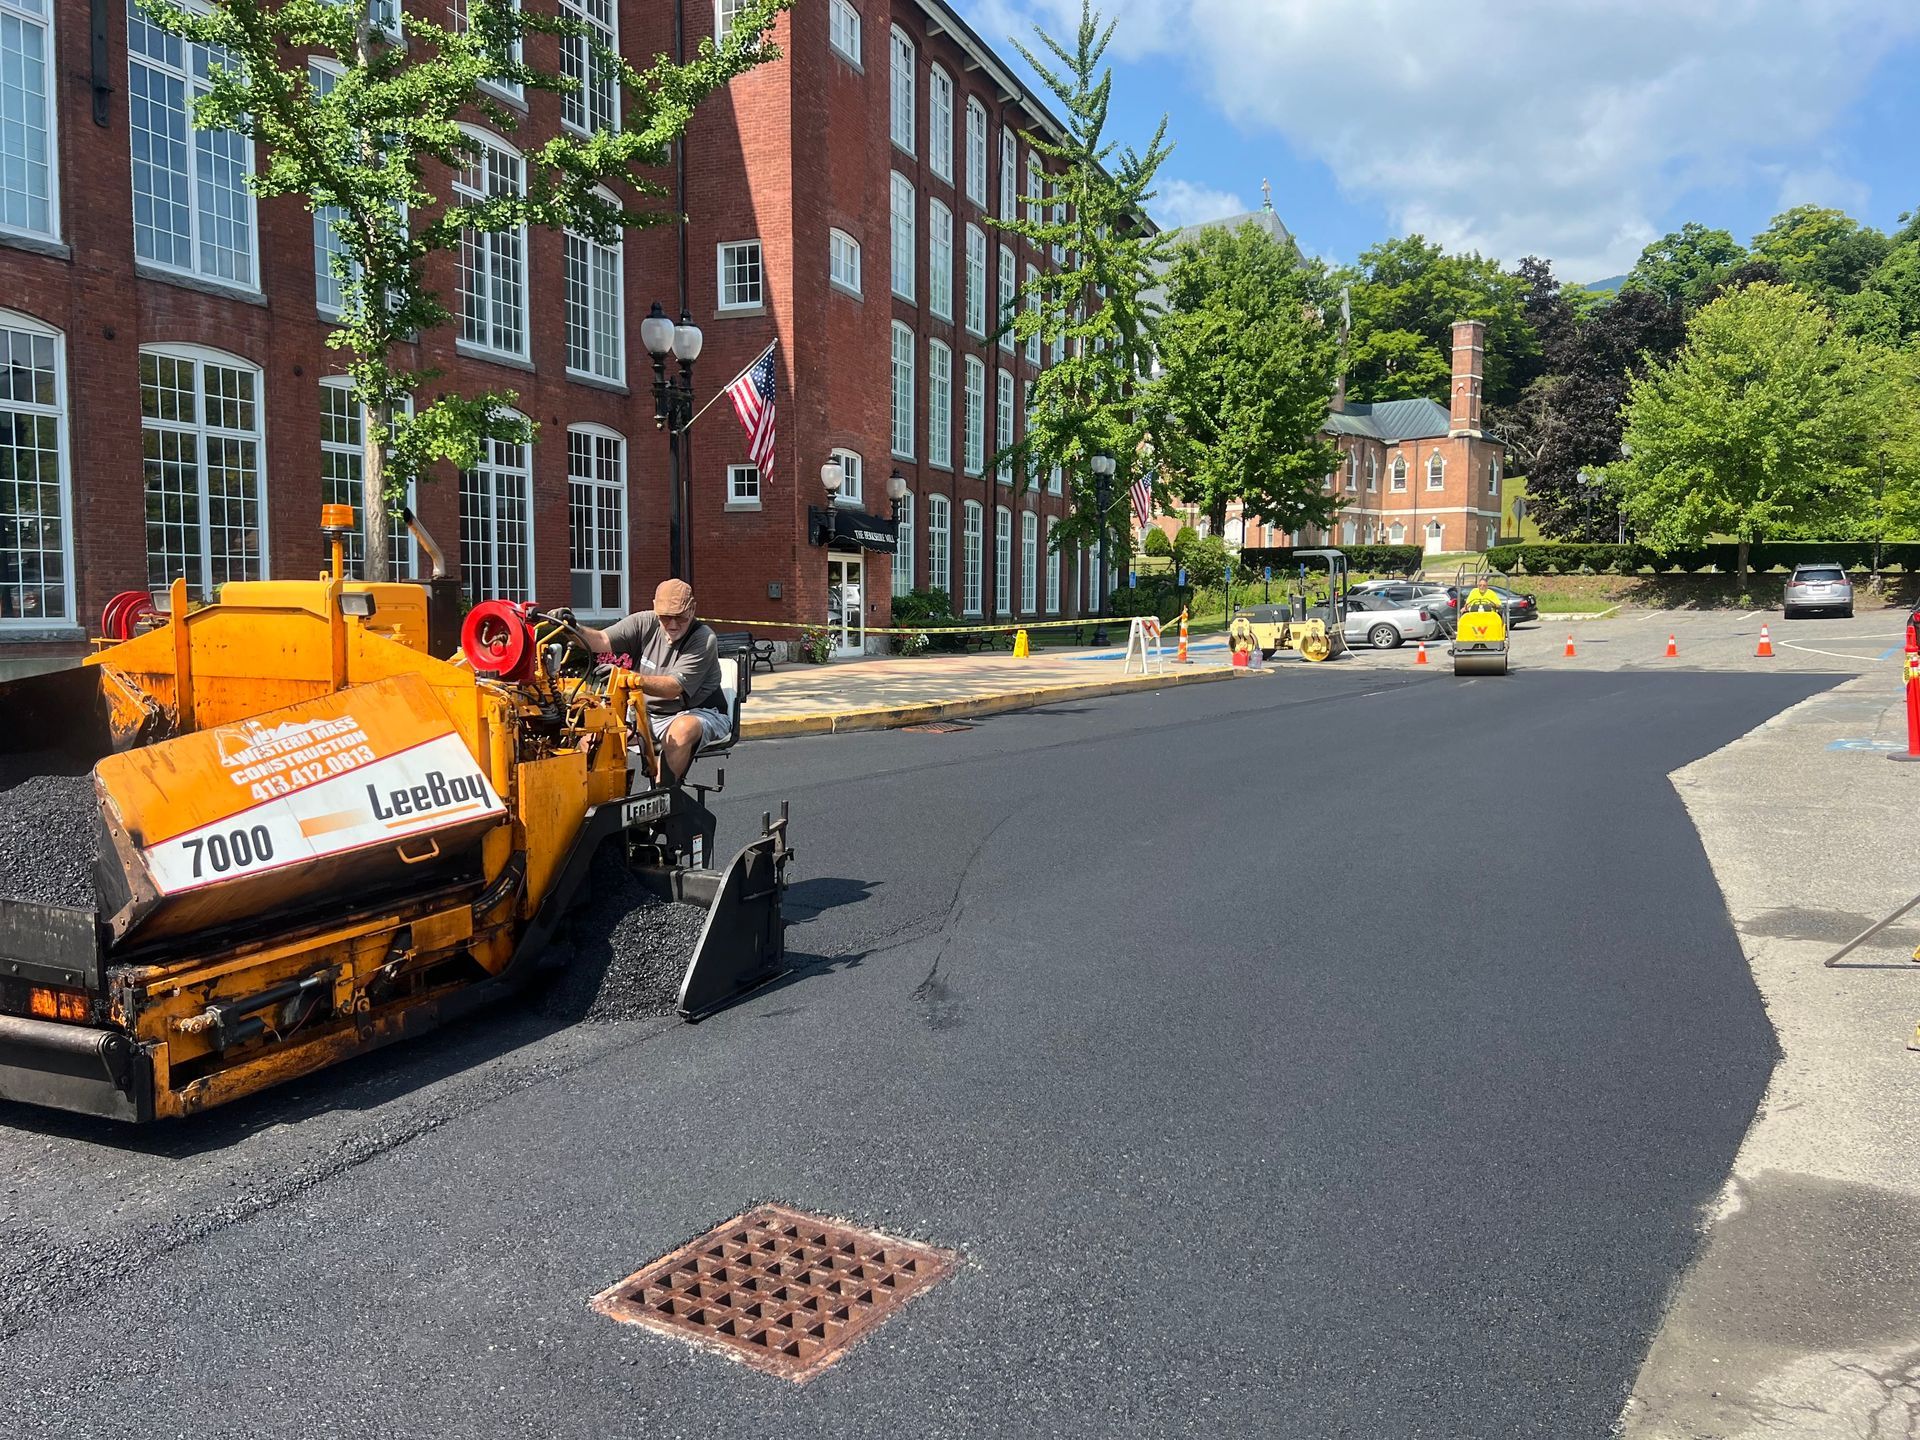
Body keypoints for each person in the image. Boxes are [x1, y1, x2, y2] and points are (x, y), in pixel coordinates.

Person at [569, 580, 728, 787]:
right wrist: (571, 627)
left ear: (692, 609)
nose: (672, 625)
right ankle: (593, 799)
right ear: (655, 608)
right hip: (645, 713)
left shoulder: (703, 639)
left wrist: (628, 676)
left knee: (682, 729)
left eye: (680, 616)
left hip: (696, 711)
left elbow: (673, 688)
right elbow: (600, 640)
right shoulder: (643, 622)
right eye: (665, 617)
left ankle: (663, 796)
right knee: (593, 736)